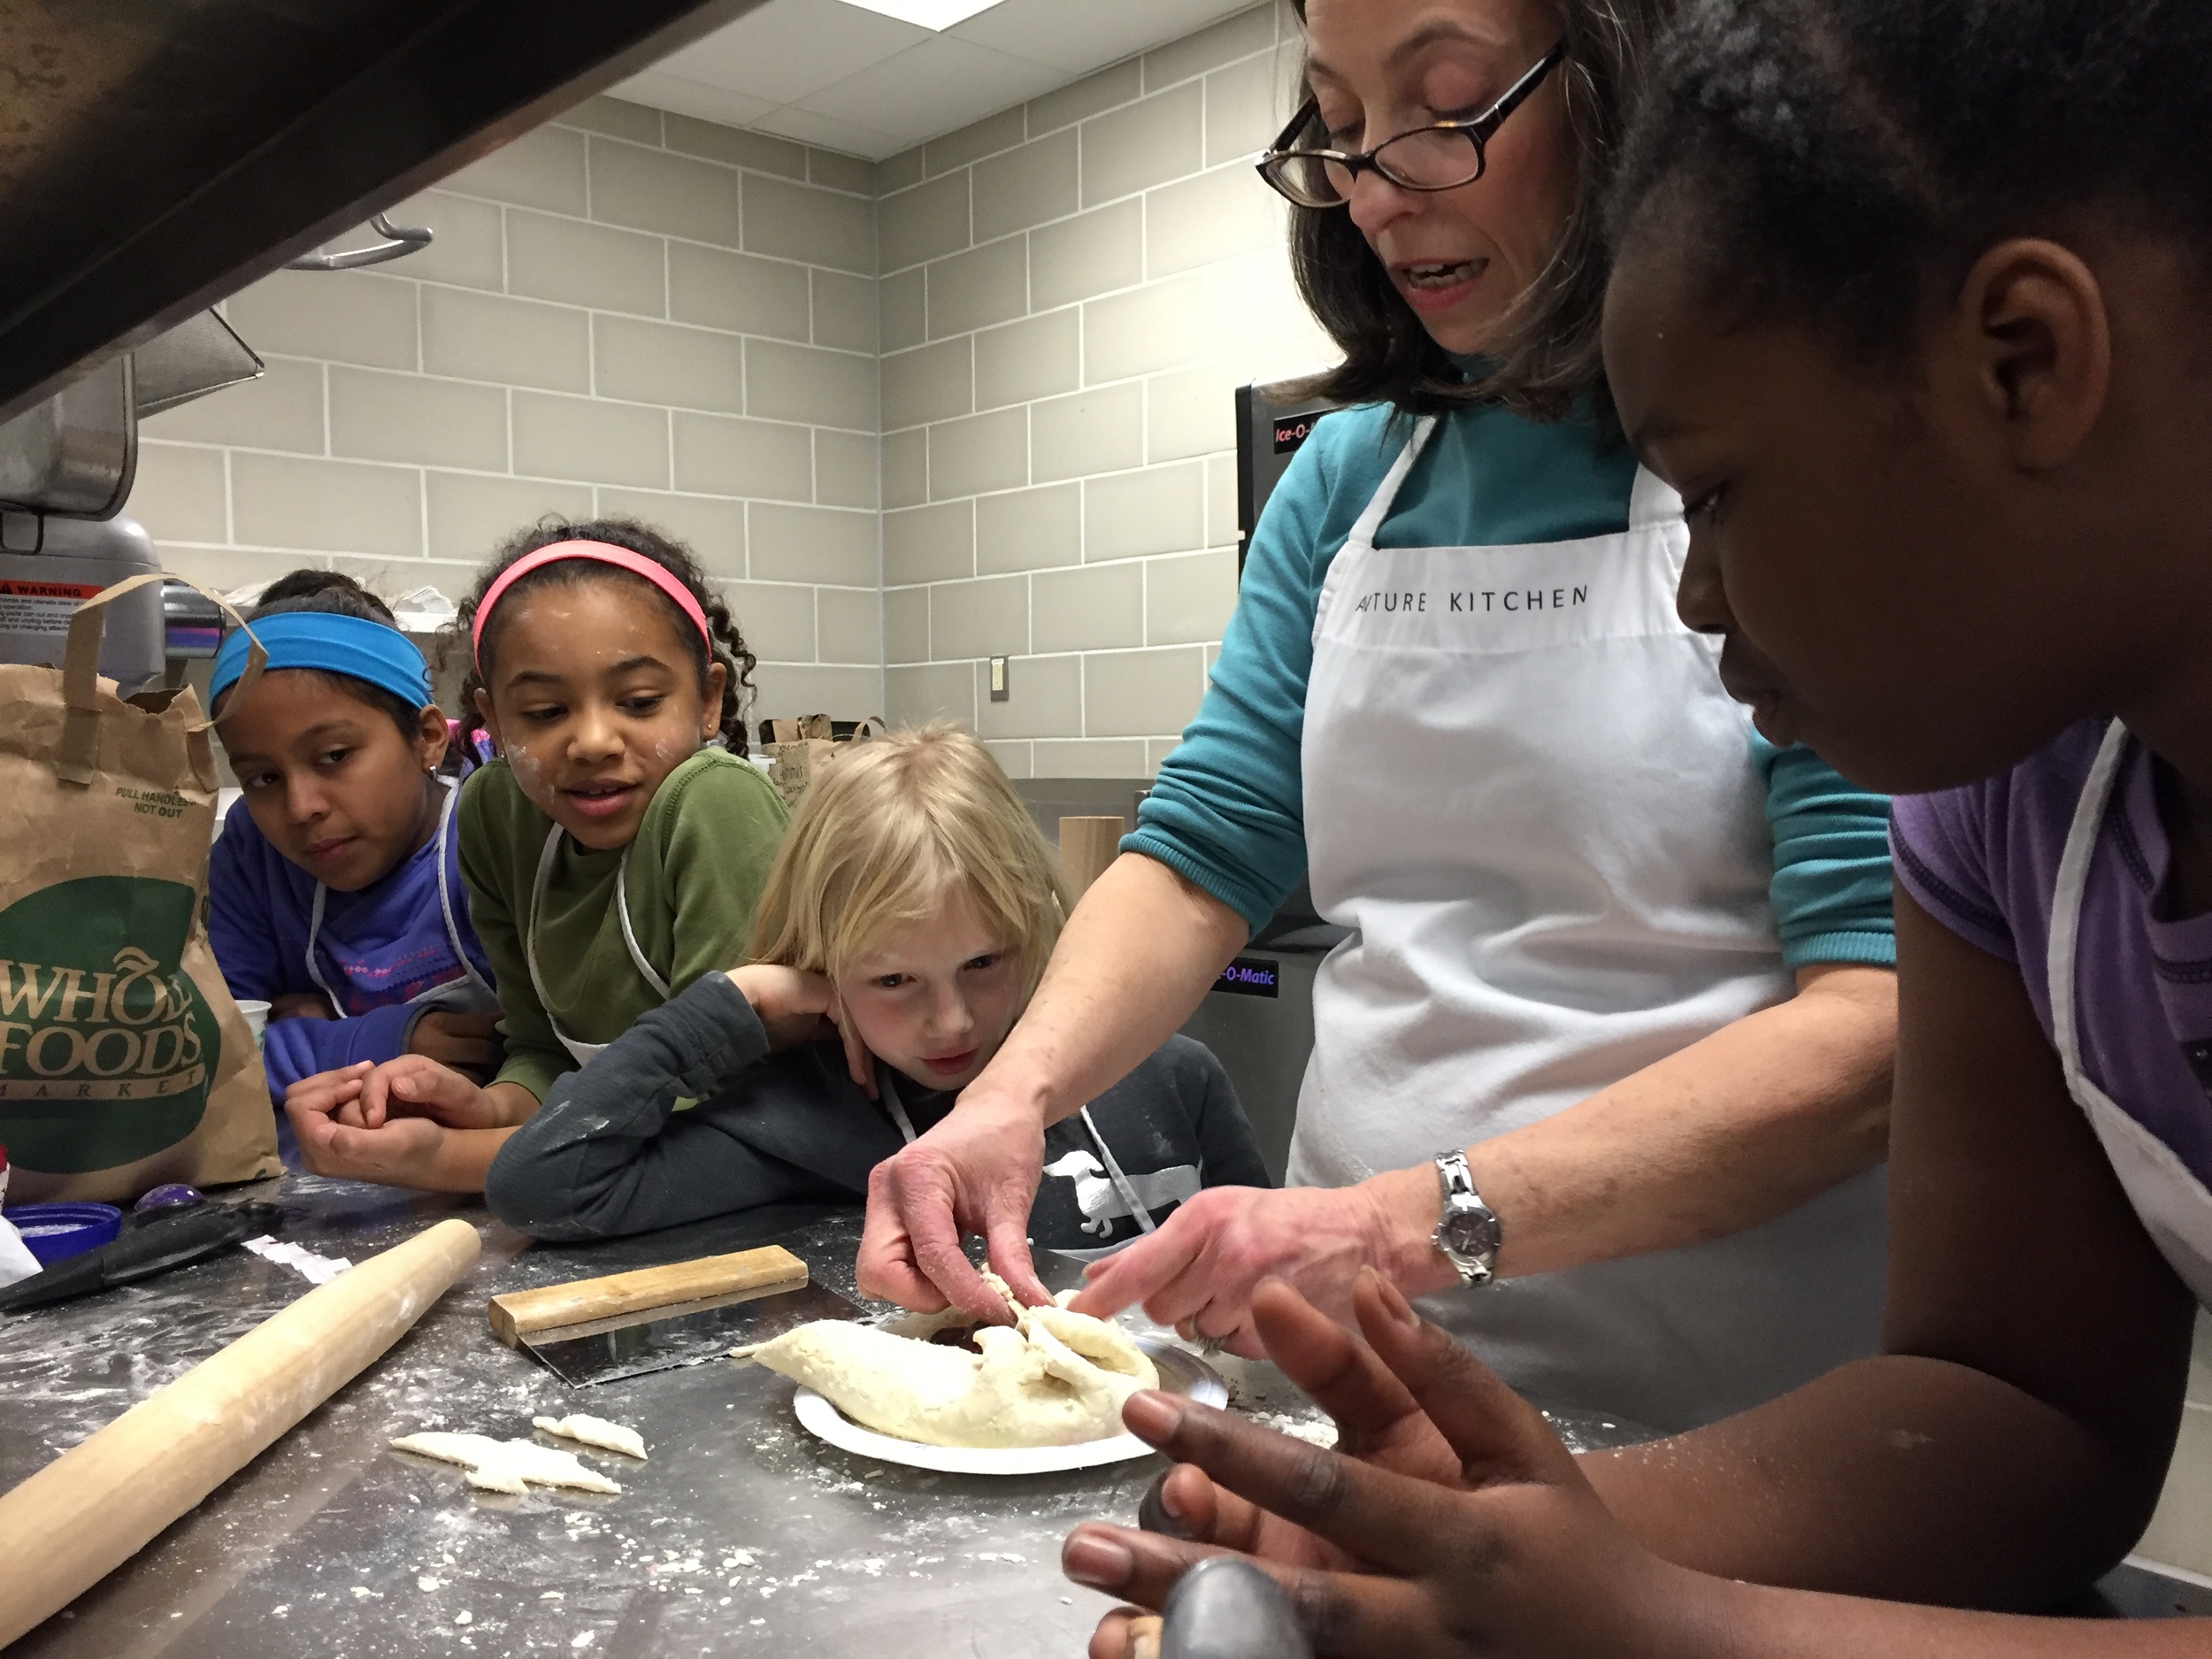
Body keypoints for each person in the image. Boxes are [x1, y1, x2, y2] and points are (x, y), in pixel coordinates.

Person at [1063, 0, 2212, 1649]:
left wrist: (1674, 1627)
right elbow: (2018, 1413)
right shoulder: (2003, 811)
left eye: (1717, 495)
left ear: (2025, 361)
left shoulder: (1952, 742)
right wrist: (1491, 1549)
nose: (1685, 589)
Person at [863, 0, 1898, 1434]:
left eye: (1446, 105)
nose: (1377, 185)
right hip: (1353, 1370)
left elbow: (1873, 1031)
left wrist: (1405, 1223)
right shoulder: (1349, 479)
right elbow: (1205, 849)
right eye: (1339, 131)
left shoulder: (1787, 453)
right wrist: (1011, 1096)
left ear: (1626, 87)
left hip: (1719, 1405)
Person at [482, 723, 1268, 1246]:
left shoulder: (1167, 1076)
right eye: (894, 979)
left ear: (1036, 924)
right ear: (823, 967)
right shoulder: (800, 1121)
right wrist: (738, 1003)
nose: (951, 1021)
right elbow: (542, 1184)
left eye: (984, 964)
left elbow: (1263, 1267)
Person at [283, 520, 787, 1190]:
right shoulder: (500, 815)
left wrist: (443, 1159)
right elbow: (547, 1054)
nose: (594, 740)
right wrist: (480, 1106)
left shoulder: (715, 805)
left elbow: (712, 1107)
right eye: (546, 711)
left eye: (639, 702)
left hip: (757, 1167)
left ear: (708, 701)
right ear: (493, 717)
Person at [206, 570, 499, 1102]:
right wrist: (374, 1041)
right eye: (262, 778)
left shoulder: (490, 837)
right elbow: (206, 1052)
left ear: (428, 739)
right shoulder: (254, 855)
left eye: (334, 756)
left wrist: (292, 1032)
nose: (301, 808)